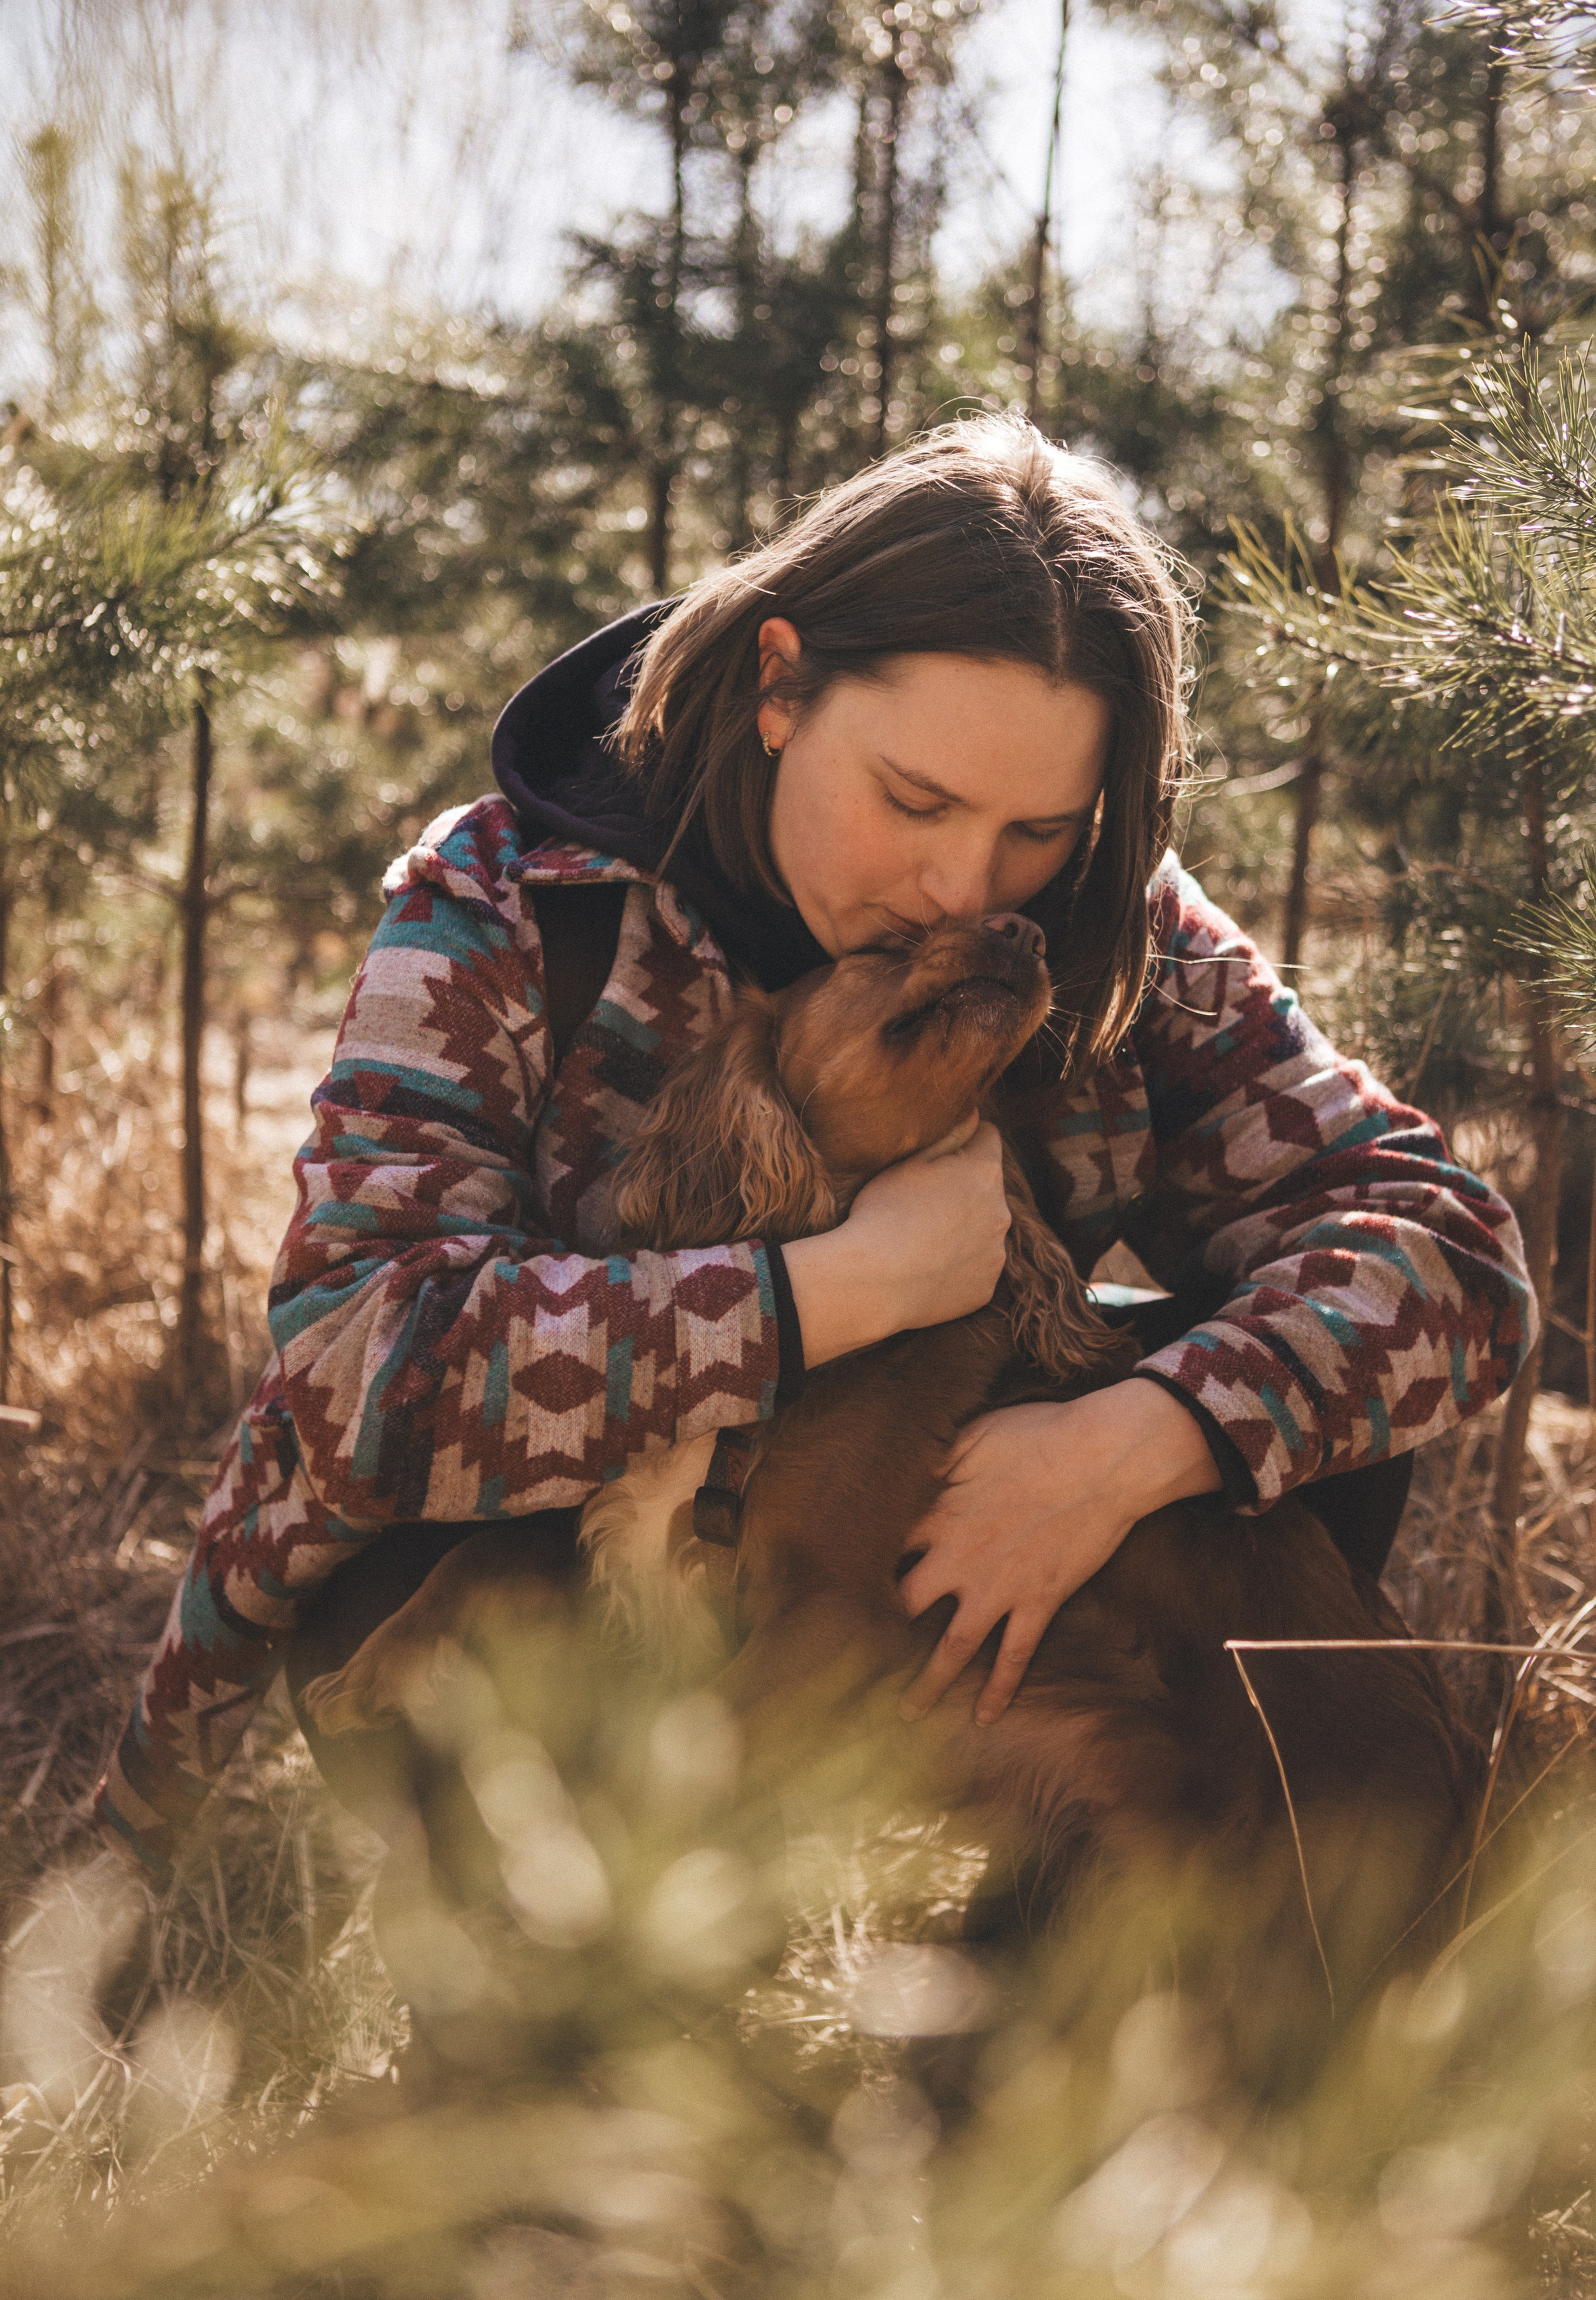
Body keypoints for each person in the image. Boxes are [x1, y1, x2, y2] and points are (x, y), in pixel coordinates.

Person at [95, 416, 1532, 1899]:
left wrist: (1130, 1448)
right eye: (913, 802)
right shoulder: (512, 906)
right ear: (780, 683)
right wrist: (831, 1294)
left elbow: (1451, 1255)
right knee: (396, 1584)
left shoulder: (1104, 935)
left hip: (954, 1613)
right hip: (610, 1615)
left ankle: (1071, 1985)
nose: (959, 888)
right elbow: (353, 1369)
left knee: (1311, 1428)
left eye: (1037, 828)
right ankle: (572, 2000)